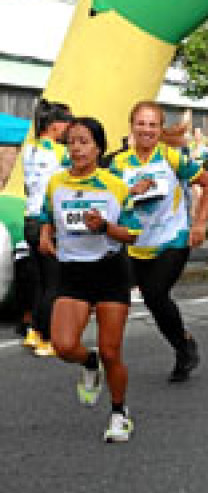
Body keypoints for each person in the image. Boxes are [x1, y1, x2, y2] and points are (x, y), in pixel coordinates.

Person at [40, 117, 142, 442]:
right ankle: (89, 361)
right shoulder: (56, 183)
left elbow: (132, 233)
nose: (77, 148)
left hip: (109, 270)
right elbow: (46, 215)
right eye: (71, 142)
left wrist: (105, 227)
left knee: (112, 352)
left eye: (84, 142)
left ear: (98, 148)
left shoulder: (114, 185)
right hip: (72, 271)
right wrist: (45, 235)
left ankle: (119, 413)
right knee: (63, 345)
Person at [109, 101, 208, 382]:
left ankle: (183, 349)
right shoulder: (119, 163)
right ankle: (183, 342)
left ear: (159, 129)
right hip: (136, 243)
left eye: (152, 125)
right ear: (132, 126)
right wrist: (130, 192)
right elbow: (109, 201)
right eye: (141, 124)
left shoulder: (171, 157)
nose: (146, 130)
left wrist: (199, 223)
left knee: (155, 294)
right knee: (145, 300)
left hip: (172, 239)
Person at [20, 99, 72, 357]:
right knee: (54, 284)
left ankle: (34, 332)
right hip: (48, 222)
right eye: (68, 123)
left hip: (29, 219)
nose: (71, 130)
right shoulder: (60, 153)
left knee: (40, 282)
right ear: (54, 126)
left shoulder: (29, 149)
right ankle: (47, 338)